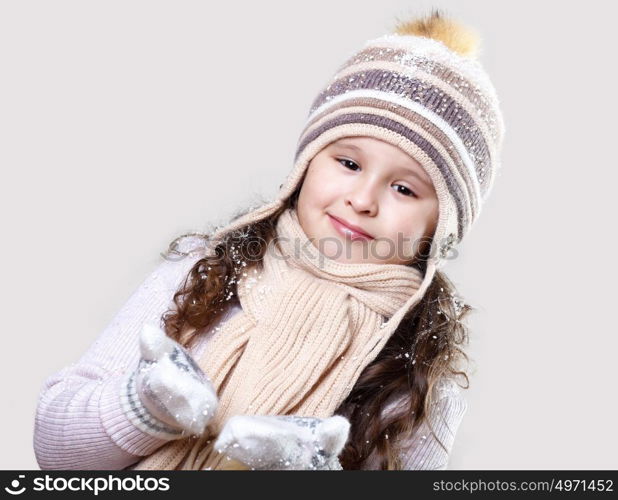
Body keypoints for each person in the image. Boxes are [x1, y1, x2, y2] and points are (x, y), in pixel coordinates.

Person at [33, 8, 505, 470]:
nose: (363, 199)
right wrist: (145, 405)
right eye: (349, 163)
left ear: (440, 227)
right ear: (306, 163)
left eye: (404, 189)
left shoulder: (419, 379)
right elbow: (55, 454)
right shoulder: (204, 271)